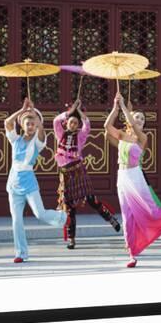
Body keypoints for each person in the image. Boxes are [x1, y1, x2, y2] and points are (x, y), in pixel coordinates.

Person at [105, 93, 161, 268]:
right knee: (127, 218)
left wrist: (126, 109)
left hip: (135, 177)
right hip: (122, 178)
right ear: (128, 120)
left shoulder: (142, 139)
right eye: (137, 117)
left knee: (151, 211)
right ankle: (132, 254)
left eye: (142, 119)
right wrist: (116, 107)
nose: (140, 120)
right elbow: (107, 126)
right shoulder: (121, 135)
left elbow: (134, 126)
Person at [4, 97, 69, 263]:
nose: (31, 126)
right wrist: (23, 109)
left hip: (29, 182)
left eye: (33, 123)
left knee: (39, 213)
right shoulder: (15, 140)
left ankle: (62, 217)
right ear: (22, 125)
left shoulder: (38, 142)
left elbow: (41, 131)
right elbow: (7, 122)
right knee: (16, 220)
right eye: (28, 123)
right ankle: (21, 253)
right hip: (13, 183)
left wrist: (33, 112)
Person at [53, 99, 121, 249]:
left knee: (92, 200)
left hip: (78, 171)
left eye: (75, 123)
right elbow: (56, 121)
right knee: (70, 207)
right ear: (67, 123)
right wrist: (71, 111)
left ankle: (110, 218)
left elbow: (87, 126)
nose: (73, 125)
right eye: (71, 122)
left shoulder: (80, 137)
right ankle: (72, 239)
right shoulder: (60, 134)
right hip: (65, 174)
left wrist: (81, 114)